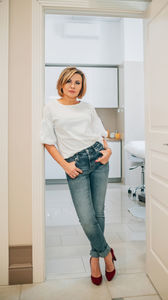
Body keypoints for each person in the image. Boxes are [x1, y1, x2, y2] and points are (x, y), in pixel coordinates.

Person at [40, 66, 117, 285]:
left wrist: (108, 151)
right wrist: (65, 165)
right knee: (86, 218)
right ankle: (106, 253)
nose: (73, 86)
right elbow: (47, 140)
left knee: (98, 213)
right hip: (76, 165)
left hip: (99, 159)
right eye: (69, 82)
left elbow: (101, 133)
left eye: (78, 83)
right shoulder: (51, 108)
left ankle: (95, 259)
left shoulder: (87, 107)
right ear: (61, 84)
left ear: (82, 86)